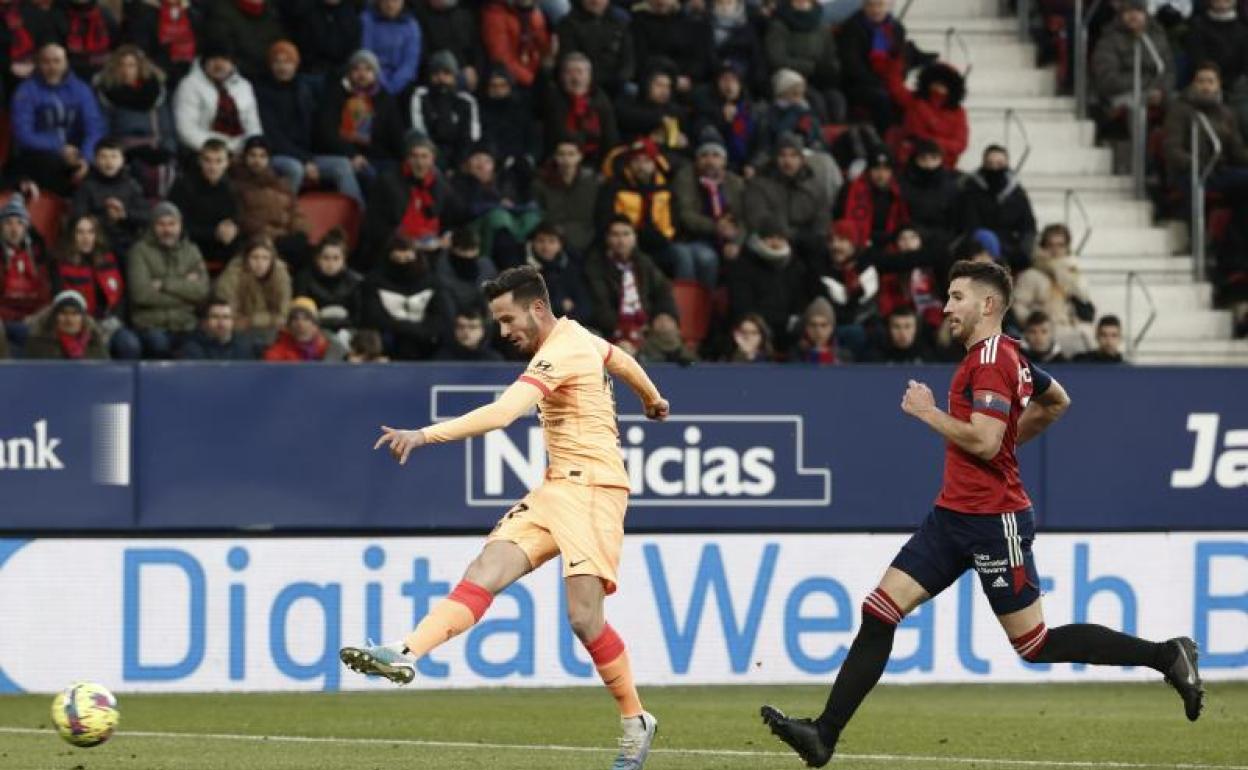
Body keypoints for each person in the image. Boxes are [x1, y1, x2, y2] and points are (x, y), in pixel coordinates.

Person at [761, 261, 1200, 768]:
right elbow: (1055, 401)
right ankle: (824, 734)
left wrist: (928, 412)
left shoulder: (992, 360)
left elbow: (989, 443)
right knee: (879, 612)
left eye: (956, 297)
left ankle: (1166, 655)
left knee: (1034, 643)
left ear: (987, 305)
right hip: (951, 517)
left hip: (994, 521)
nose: (946, 307)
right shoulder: (1003, 354)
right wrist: (1007, 439)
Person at [342, 265, 667, 770]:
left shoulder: (561, 351)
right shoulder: (579, 337)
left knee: (584, 619)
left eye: (507, 319)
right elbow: (620, 359)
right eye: (498, 321)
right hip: (556, 488)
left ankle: (635, 719)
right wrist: (652, 398)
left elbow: (501, 414)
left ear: (537, 308)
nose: (502, 330)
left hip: (595, 489)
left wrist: (423, 435)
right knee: (484, 571)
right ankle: (405, 651)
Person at [257, 40, 366, 206]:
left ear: (295, 65)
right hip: (278, 155)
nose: (282, 67)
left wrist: (349, 154)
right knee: (295, 168)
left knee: (342, 165)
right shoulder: (263, 94)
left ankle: (357, 214)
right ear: (271, 65)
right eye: (277, 62)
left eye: (287, 62)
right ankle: (284, 215)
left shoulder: (303, 90)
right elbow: (274, 137)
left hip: (307, 155)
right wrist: (304, 160)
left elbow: (317, 130)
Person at [11, 43, 106, 196]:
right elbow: (23, 133)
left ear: (66, 62)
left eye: (57, 61)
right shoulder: (26, 91)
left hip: (77, 150)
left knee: (105, 165)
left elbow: (94, 127)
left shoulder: (81, 89)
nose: (52, 66)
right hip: (40, 152)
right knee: (53, 167)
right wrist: (59, 147)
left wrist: (86, 157)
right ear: (38, 64)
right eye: (46, 61)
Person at [585, 216, 679, 354]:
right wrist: (626, 330)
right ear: (607, 239)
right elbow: (600, 307)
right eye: (615, 235)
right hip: (611, 330)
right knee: (620, 349)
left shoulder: (644, 262)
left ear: (634, 237)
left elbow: (663, 290)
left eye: (626, 234)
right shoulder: (595, 266)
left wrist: (664, 314)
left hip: (644, 327)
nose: (621, 240)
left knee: (669, 333)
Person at [127, 201, 210, 357]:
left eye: (172, 224)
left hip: (186, 325)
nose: (167, 230)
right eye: (161, 224)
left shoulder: (192, 251)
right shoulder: (139, 251)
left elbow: (202, 292)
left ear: (180, 225)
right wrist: (186, 292)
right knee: (159, 345)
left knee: (196, 352)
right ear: (153, 226)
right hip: (151, 325)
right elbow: (141, 295)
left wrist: (164, 285)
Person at [92, 45, 178, 197]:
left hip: (154, 144)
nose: (126, 70)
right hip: (122, 148)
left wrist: (168, 150)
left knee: (164, 172)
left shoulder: (155, 93)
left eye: (131, 65)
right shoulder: (107, 93)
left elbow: (167, 127)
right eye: (122, 65)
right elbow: (102, 128)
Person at [52, 213, 141, 360]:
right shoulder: (61, 263)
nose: (86, 238)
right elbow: (61, 300)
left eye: (90, 232)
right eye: (80, 232)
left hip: (110, 322)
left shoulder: (109, 259)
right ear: (72, 236)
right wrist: (89, 325)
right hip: (78, 325)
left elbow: (121, 295)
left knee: (130, 344)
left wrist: (116, 319)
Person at [1162, 61, 1248, 199]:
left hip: (1219, 171)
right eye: (1201, 81)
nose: (1206, 86)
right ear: (1193, 84)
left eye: (1210, 81)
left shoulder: (1226, 113)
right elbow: (1172, 149)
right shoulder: (1180, 109)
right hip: (1190, 172)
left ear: (1218, 85)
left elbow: (1237, 151)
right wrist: (1195, 163)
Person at [672, 132, 745, 286]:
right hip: (694, 237)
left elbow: (745, 217)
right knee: (706, 258)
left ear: (724, 160)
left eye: (715, 156)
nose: (710, 161)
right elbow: (685, 214)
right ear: (697, 160)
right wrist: (716, 227)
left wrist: (736, 242)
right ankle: (702, 299)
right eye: (704, 155)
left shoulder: (736, 182)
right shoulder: (685, 177)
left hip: (729, 238)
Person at [362, 235, 448, 359]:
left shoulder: (431, 282)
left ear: (416, 257)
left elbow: (439, 317)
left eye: (407, 258)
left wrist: (421, 332)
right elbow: (374, 317)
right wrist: (407, 329)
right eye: (397, 259)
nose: (403, 263)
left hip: (426, 342)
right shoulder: (374, 281)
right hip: (388, 341)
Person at [872, 58, 968, 169]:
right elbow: (895, 86)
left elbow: (960, 144)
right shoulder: (914, 100)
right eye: (936, 82)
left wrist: (932, 143)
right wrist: (897, 59)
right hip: (909, 162)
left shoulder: (958, 112)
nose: (938, 87)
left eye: (944, 84)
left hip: (941, 166)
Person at [1014, 223, 1094, 353]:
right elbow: (1019, 305)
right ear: (1043, 247)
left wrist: (1067, 275)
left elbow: (1084, 301)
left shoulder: (1072, 274)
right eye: (1050, 245)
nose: (1055, 250)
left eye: (1060, 245)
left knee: (1091, 336)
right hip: (1042, 331)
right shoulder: (1031, 275)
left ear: (1067, 248)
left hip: (1069, 326)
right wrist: (1034, 323)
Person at [173, 39, 263, 155]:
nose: (219, 65)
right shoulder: (189, 85)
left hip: (241, 152)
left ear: (233, 63)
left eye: (225, 59)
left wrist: (251, 148)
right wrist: (224, 150)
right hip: (202, 153)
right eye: (214, 59)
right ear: (204, 61)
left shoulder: (244, 86)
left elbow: (254, 127)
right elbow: (186, 131)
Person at [231, 135, 310, 266]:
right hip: (259, 241)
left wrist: (300, 231)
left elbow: (296, 211)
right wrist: (275, 236)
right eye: (253, 155)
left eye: (262, 156)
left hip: (286, 237)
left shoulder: (281, 183)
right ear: (245, 157)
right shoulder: (237, 185)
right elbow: (244, 219)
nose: (257, 160)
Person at [958, 145, 1038, 273]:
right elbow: (970, 226)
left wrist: (1024, 250)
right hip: (980, 248)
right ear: (983, 164)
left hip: (1011, 247)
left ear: (1007, 164)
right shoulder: (971, 190)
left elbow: (1028, 226)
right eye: (990, 164)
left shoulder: (1016, 192)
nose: (995, 168)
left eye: (999, 164)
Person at [168, 138, 240, 274]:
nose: (213, 167)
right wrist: (214, 233)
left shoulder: (231, 188)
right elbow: (176, 227)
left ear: (227, 163)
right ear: (200, 161)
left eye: (219, 161)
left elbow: (235, 219)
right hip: (189, 246)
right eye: (208, 160)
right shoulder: (183, 186)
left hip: (222, 247)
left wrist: (232, 228)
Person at [71, 137, 151, 255]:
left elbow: (146, 216)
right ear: (96, 160)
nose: (109, 162)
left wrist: (124, 215)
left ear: (122, 160)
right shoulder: (86, 187)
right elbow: (78, 217)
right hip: (97, 244)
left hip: (128, 243)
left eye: (114, 156)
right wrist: (106, 216)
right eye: (103, 157)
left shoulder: (131, 185)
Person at [214, 235, 293, 346]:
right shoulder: (232, 276)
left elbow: (283, 315)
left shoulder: (281, 275)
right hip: (238, 331)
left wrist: (252, 320)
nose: (260, 263)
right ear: (246, 258)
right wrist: (270, 319)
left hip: (269, 329)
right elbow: (229, 316)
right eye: (254, 257)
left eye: (265, 258)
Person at [543, 53, 618, 169]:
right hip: (559, 162)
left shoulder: (601, 100)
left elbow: (610, 138)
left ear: (589, 76)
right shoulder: (552, 99)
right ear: (561, 76)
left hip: (594, 162)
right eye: (569, 73)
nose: (575, 79)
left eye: (580, 72)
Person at [409, 50, 480, 171]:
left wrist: (456, 164)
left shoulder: (467, 101)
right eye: (436, 73)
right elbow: (420, 133)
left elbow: (470, 137)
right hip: (429, 161)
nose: (441, 78)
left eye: (446, 73)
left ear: (455, 76)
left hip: (459, 160)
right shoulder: (421, 96)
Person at [0, 194, 53, 346]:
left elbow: (44, 295)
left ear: (26, 228)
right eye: (8, 223)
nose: (14, 229)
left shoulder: (38, 256)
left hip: (33, 318)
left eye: (19, 223)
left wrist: (35, 317)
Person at [555, 0, 635, 97]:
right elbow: (569, 60)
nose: (595, 1)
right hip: (585, 84)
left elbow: (628, 60)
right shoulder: (568, 24)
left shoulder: (620, 22)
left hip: (617, 84)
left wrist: (620, 79)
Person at [534, 140, 600, 255]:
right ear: (555, 157)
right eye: (561, 154)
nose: (566, 159)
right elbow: (539, 214)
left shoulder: (593, 182)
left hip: (586, 237)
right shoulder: (541, 184)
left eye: (571, 154)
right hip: (552, 239)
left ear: (580, 156)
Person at [292, 230, 364, 334]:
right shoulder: (304, 279)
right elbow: (301, 313)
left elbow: (358, 318)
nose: (331, 264)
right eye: (326, 258)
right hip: (312, 331)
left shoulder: (355, 282)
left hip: (347, 331)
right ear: (317, 259)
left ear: (344, 260)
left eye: (336, 258)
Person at [480, 0, 553, 90]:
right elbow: (501, 60)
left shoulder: (533, 13)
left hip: (534, 75)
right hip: (512, 82)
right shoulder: (495, 14)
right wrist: (532, 80)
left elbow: (544, 48)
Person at [525, 221, 590, 322]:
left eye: (552, 241)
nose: (546, 247)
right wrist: (560, 305)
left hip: (567, 324)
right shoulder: (523, 270)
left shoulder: (570, 267)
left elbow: (584, 306)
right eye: (541, 241)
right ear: (532, 243)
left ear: (561, 245)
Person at [24, 288, 109, 359]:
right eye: (63, 313)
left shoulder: (95, 343)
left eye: (75, 314)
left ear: (83, 319)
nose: (69, 319)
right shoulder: (39, 343)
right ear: (54, 317)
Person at [361, 0, 422, 95]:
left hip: (402, 83)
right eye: (386, 1)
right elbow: (366, 54)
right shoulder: (367, 20)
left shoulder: (411, 25)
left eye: (395, 1)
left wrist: (394, 85)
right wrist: (383, 83)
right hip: (373, 79)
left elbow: (410, 62)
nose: (390, 5)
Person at [263, 295, 349, 361]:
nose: (300, 323)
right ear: (289, 325)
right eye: (295, 318)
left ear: (315, 325)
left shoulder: (331, 347)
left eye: (306, 319)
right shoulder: (278, 351)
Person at [179, 298, 261, 360]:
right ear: (204, 322)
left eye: (226, 317)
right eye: (215, 317)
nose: (221, 323)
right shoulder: (192, 348)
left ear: (233, 322)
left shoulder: (244, 346)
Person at [435, 308, 505, 361]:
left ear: (483, 331)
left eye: (473, 327)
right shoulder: (442, 359)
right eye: (461, 327)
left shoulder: (494, 360)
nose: (466, 332)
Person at [792, 296, 845, 364]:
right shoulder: (796, 355)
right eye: (813, 325)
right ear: (806, 328)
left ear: (831, 328)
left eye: (824, 325)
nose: (818, 331)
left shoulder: (844, 356)